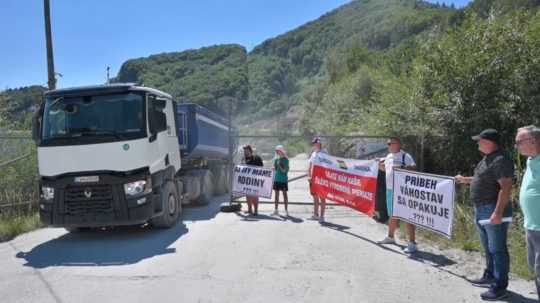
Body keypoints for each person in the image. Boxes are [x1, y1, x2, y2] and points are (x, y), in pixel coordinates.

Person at [455, 129, 513, 301]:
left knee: (497, 249)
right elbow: (482, 179)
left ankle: (500, 286)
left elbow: (506, 187)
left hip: (492, 210)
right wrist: (465, 179)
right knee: (488, 247)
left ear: (489, 142)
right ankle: (489, 275)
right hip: (482, 209)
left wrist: (498, 212)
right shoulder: (487, 159)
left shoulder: (501, 159)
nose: (477, 143)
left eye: (480, 141)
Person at [377, 136, 418, 254]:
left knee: (407, 215)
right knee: (393, 215)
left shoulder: (405, 156)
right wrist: (379, 165)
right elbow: (386, 170)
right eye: (388, 144)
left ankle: (412, 243)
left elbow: (414, 169)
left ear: (398, 144)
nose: (388, 145)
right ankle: (390, 237)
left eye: (391, 143)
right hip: (390, 189)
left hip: (402, 190)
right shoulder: (389, 156)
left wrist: (401, 168)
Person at [515, 125, 540, 301]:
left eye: (519, 141)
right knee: (536, 268)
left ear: (533, 141)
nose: (516, 146)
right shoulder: (531, 160)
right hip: (531, 225)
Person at [308, 137, 327, 222]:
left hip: (321, 179)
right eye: (314, 143)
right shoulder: (313, 153)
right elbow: (310, 165)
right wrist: (309, 175)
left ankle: (322, 216)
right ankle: (316, 214)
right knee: (315, 197)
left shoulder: (325, 153)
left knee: (322, 197)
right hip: (313, 178)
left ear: (319, 143)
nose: (315, 145)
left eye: (316, 143)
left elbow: (328, 166)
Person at [242, 145, 264, 216]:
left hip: (255, 180)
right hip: (247, 180)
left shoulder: (257, 158)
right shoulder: (244, 159)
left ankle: (256, 210)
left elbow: (261, 168)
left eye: (246, 150)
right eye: (244, 151)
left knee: (255, 196)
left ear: (250, 150)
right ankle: (249, 210)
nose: (245, 152)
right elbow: (241, 168)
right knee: (248, 195)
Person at [273, 145, 290, 216]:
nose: (277, 152)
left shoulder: (286, 160)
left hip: (283, 180)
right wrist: (273, 168)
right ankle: (276, 210)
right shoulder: (276, 159)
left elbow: (284, 171)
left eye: (278, 151)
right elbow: (276, 169)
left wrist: (279, 165)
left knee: (284, 195)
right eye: (276, 151)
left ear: (281, 151)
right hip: (276, 179)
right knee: (276, 195)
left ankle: (286, 211)